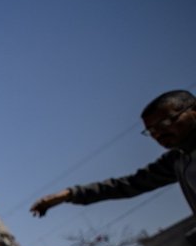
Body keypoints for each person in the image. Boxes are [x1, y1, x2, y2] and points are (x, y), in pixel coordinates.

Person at [30, 90, 196, 220]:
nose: (159, 134)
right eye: (151, 130)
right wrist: (69, 194)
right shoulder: (178, 159)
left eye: (165, 122)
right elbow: (127, 185)